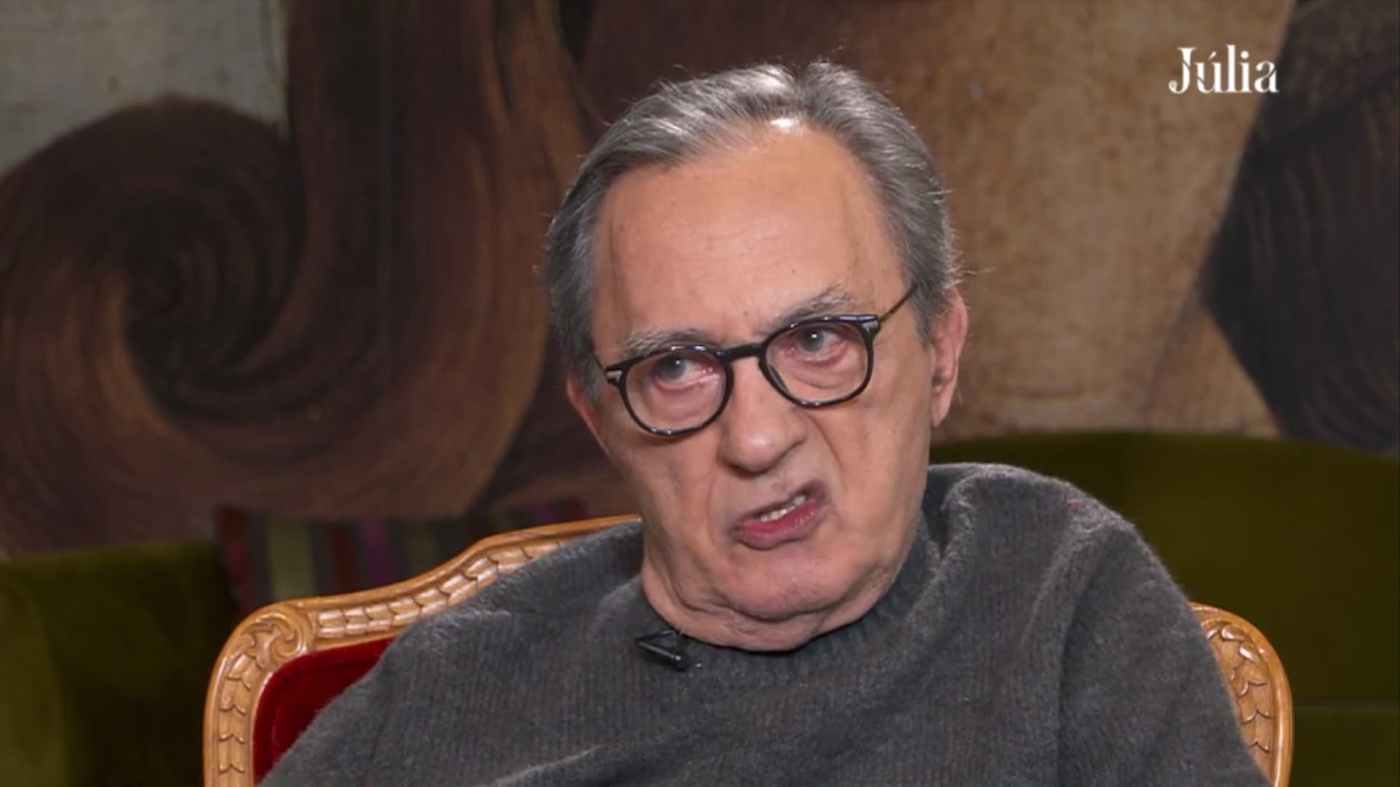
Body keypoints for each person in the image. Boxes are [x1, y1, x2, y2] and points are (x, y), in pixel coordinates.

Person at [263, 62, 1270, 786]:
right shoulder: (457, 688)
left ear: (940, 351)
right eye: (674, 367)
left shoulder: (1061, 595)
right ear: (599, 417)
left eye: (819, 339)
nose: (755, 439)